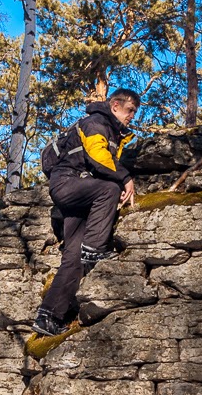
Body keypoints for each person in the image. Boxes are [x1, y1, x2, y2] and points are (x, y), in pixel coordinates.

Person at [32, 88, 140, 336]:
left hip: (80, 193)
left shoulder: (110, 129)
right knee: (109, 189)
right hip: (68, 184)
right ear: (115, 105)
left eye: (134, 111)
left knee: (73, 258)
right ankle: (94, 250)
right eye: (129, 110)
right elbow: (98, 157)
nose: (132, 116)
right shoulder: (96, 122)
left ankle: (48, 316)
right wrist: (125, 177)